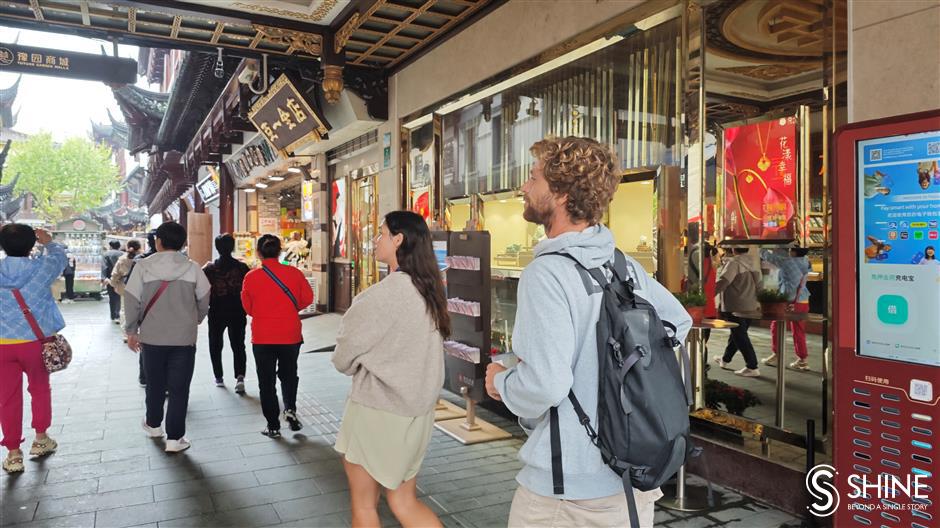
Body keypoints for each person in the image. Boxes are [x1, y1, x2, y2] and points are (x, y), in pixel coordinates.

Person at [483, 137, 692, 528]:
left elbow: (545, 386)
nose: (524, 188)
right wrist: (624, 378)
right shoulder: (620, 265)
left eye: (533, 178)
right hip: (631, 476)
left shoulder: (547, 274)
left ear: (560, 194)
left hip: (567, 493)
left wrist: (503, 383)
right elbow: (677, 323)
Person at [331, 211, 449, 528]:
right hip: (417, 414)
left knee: (365, 507)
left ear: (398, 239)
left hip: (376, 413)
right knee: (404, 502)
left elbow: (342, 358)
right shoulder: (429, 292)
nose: (375, 240)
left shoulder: (381, 296)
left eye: (381, 233)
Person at [123, 222, 210, 453]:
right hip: (184, 337)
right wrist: (196, 319)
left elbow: (131, 300)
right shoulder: (193, 268)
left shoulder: (142, 267)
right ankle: (175, 438)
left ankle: (153, 425)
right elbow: (204, 299)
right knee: (180, 388)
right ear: (183, 243)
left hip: (152, 337)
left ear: (157, 241)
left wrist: (131, 331)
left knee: (155, 384)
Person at [0, 224, 65, 473]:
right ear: (32, 244)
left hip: (2, 346)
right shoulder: (42, 268)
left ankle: (13, 453)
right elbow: (60, 259)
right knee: (39, 389)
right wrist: (48, 241)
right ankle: (40, 439)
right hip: (36, 343)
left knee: (6, 399)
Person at [241, 234, 313, 438]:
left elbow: (248, 308)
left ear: (258, 252)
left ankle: (273, 425)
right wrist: (290, 309)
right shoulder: (294, 273)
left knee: (266, 380)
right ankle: (290, 409)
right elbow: (307, 298)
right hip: (290, 334)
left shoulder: (251, 277)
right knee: (289, 374)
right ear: (280, 251)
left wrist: (265, 313)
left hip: (263, 336)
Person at [203, 234, 250, 393]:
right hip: (237, 310)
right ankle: (240, 378)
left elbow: (200, 289)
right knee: (238, 345)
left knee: (215, 344)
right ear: (233, 247)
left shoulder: (209, 269)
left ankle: (219, 377)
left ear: (217, 248)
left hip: (217, 310)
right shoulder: (242, 268)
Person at [713, 247, 763, 377]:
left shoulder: (733, 263)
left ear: (734, 249)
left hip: (735, 305)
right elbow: (759, 285)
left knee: (740, 336)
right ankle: (725, 359)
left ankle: (752, 366)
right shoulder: (753, 262)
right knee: (738, 334)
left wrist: (709, 294)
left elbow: (724, 281)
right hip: (750, 305)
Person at [760, 247, 812, 370]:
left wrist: (761, 246)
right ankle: (802, 359)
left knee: (776, 326)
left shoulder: (788, 261)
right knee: (798, 329)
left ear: (793, 252)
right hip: (803, 299)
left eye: (790, 250)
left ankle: (776, 354)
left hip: (788, 300)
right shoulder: (806, 261)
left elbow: (768, 256)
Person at [110, 240, 142, 333]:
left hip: (125, 286)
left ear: (127, 247)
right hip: (140, 286)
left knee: (124, 309)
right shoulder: (143, 258)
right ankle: (139, 330)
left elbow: (115, 274)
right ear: (139, 247)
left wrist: (113, 284)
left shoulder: (122, 259)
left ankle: (126, 333)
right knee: (139, 308)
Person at [102, 240, 123, 323]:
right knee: (119, 296)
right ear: (119, 246)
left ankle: (113, 315)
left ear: (110, 246)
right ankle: (118, 314)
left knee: (112, 297)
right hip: (121, 278)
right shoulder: (123, 254)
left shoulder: (106, 254)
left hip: (110, 278)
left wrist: (103, 278)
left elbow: (104, 267)